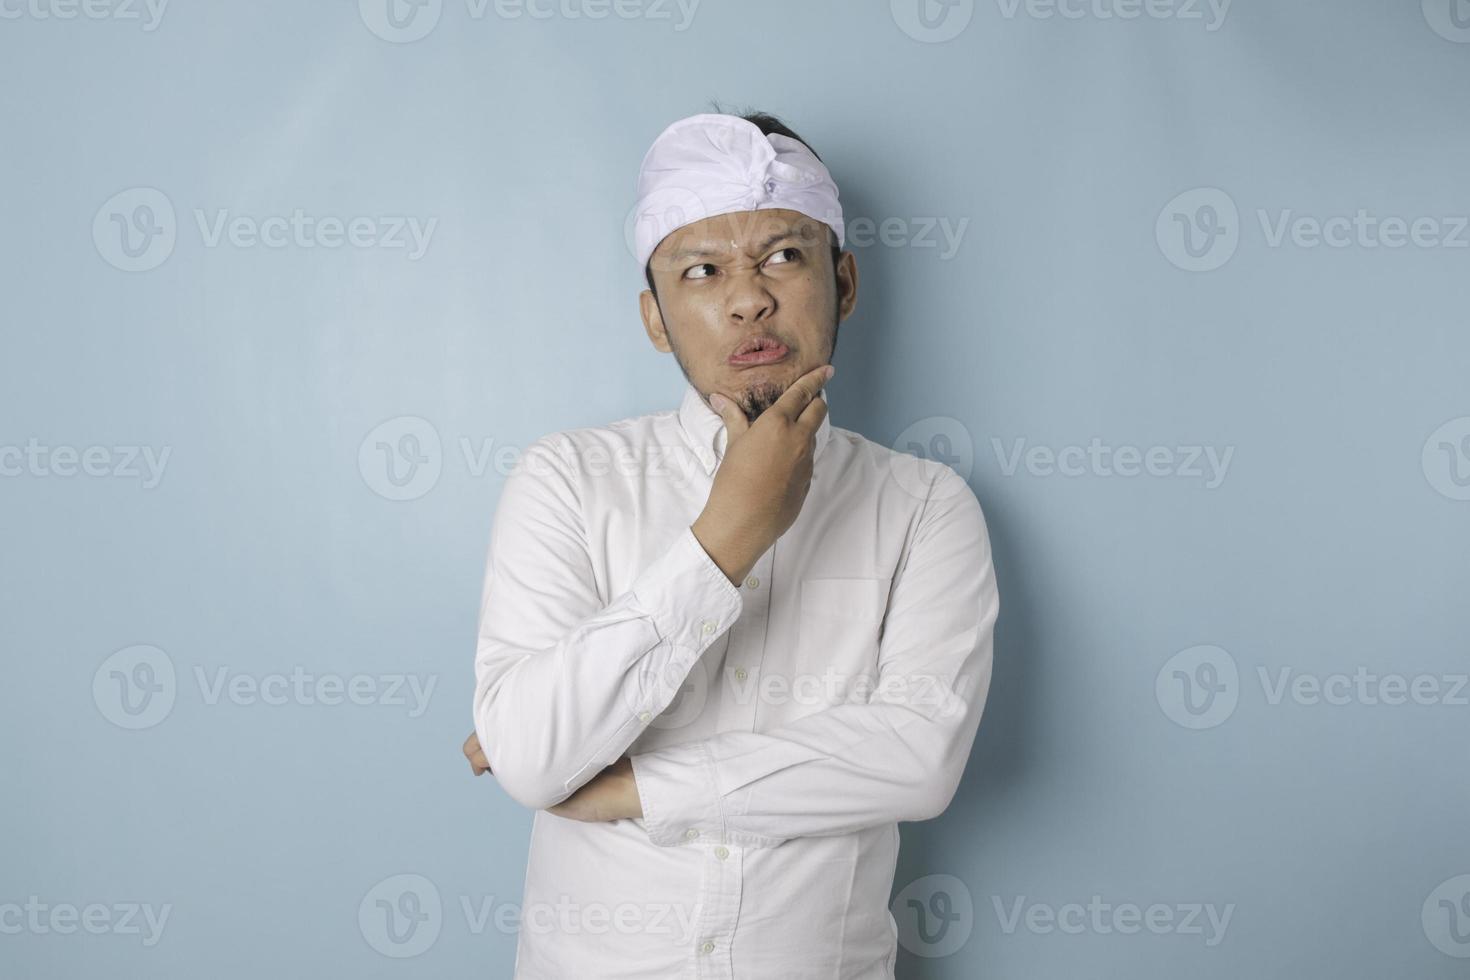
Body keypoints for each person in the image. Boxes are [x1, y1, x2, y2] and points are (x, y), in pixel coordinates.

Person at [461, 106, 1000, 979]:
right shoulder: (565, 478)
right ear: (656, 318)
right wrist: (725, 539)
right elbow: (529, 756)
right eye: (703, 270)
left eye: (784, 256)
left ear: (847, 282)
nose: (749, 297)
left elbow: (919, 758)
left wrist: (638, 786)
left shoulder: (925, 506)